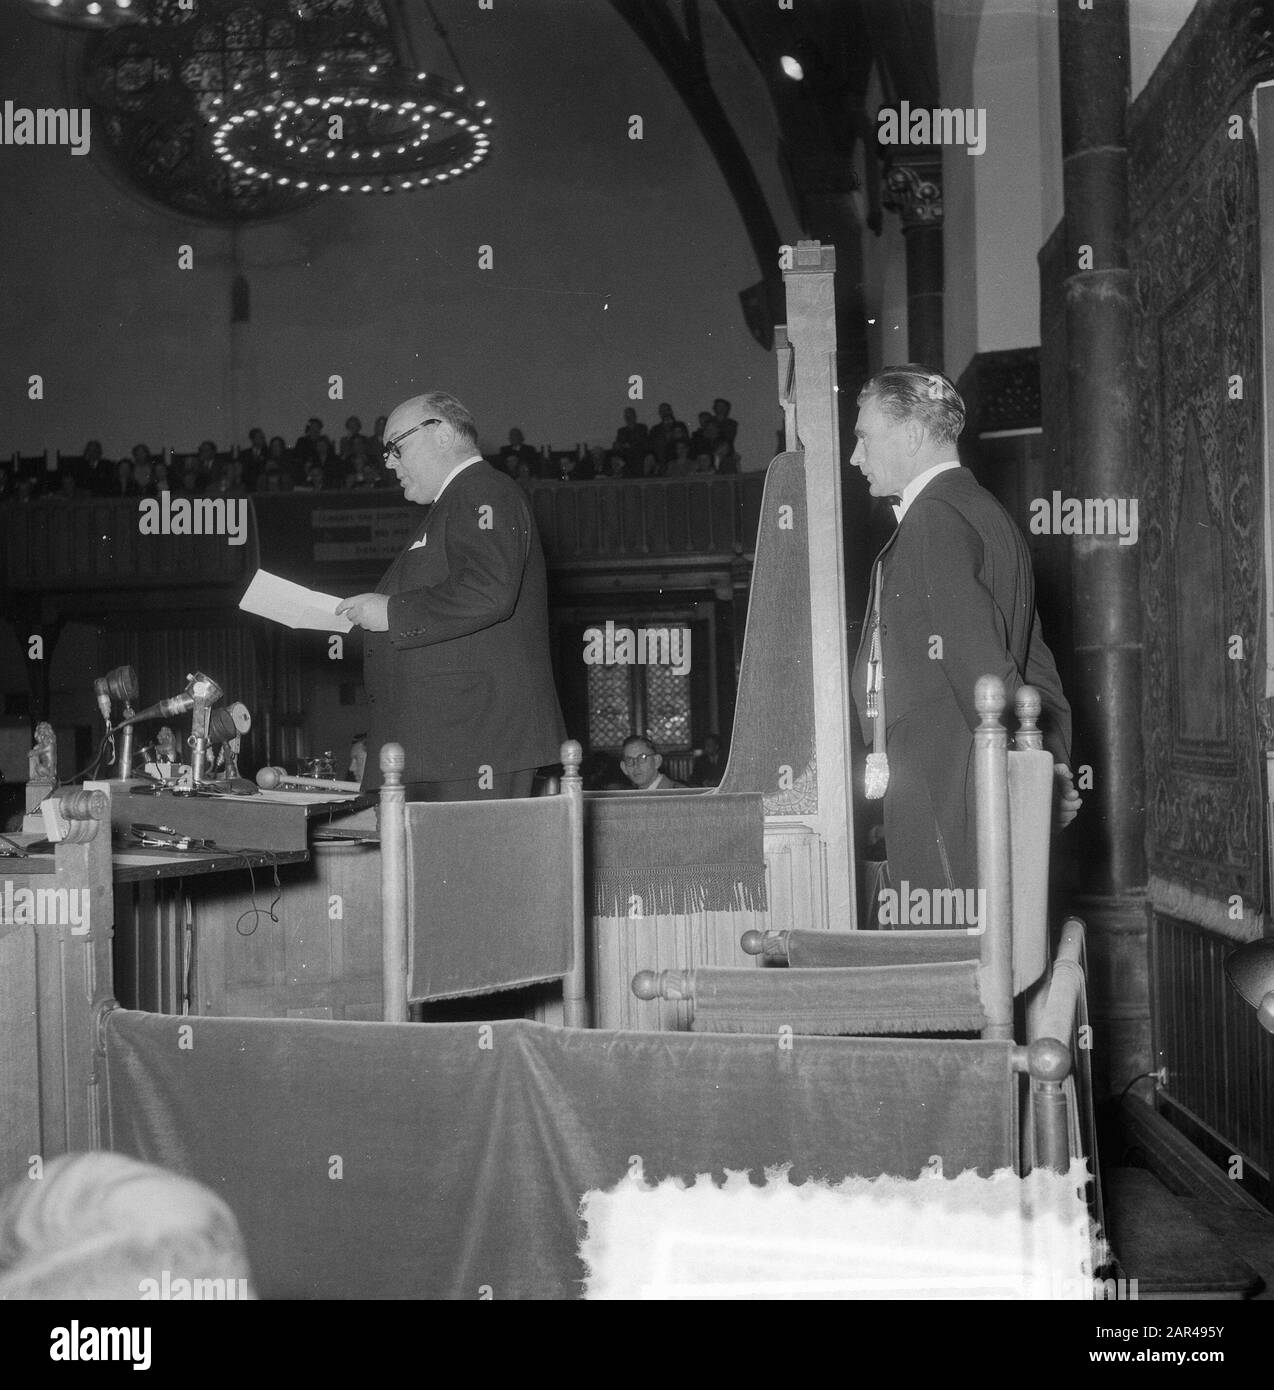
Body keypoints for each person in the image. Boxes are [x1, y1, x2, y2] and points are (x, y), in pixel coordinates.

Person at [849, 365, 1080, 900]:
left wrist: (1026, 774)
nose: (855, 457)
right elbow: (1034, 666)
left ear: (910, 435)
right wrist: (1049, 763)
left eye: (863, 437)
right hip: (979, 784)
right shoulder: (986, 512)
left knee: (949, 957)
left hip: (946, 786)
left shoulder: (932, 518)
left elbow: (984, 670)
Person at [337, 391, 566, 801]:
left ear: (440, 433)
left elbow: (489, 590)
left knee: (473, 866)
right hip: (449, 742)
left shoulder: (482, 490)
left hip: (473, 741)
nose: (388, 461)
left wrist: (391, 610)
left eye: (395, 446)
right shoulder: (459, 499)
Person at [619, 735, 685, 790]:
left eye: (642, 758)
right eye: (629, 760)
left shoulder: (679, 794)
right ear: (624, 768)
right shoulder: (626, 798)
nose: (636, 765)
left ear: (657, 761)